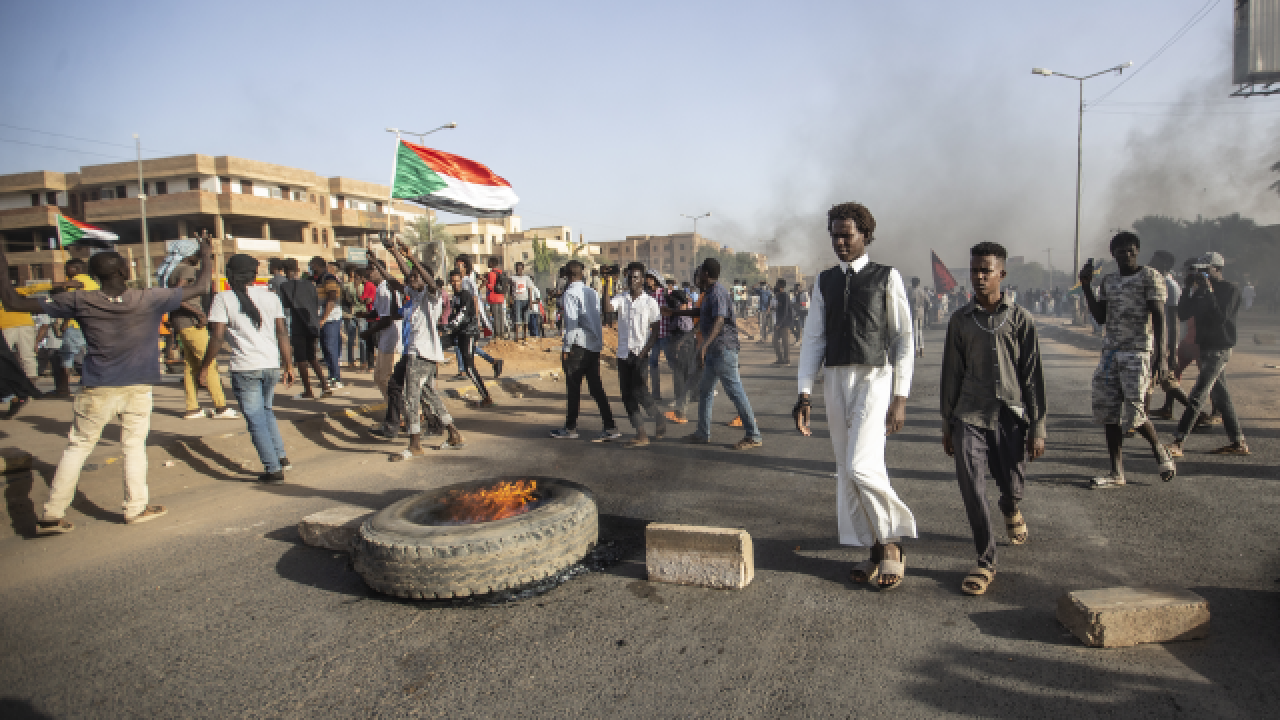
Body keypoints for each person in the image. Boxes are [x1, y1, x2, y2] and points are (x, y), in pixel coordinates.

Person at [0, 237, 215, 532]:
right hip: (138, 385)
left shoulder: (79, 300)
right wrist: (206, 254)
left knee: (78, 447)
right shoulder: (149, 298)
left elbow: (12, 301)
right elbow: (202, 287)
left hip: (97, 386)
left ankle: (52, 513)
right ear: (124, 273)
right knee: (134, 446)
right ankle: (135, 508)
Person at [793, 202, 915, 590]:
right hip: (835, 379)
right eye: (835, 235)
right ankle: (873, 547)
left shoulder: (886, 277)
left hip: (875, 378)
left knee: (861, 464)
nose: (840, 242)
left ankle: (892, 541)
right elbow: (814, 338)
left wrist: (900, 396)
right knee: (847, 469)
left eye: (847, 235)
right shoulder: (825, 281)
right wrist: (804, 392)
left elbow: (902, 340)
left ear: (865, 235)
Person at [940, 242, 1047, 596]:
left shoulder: (1021, 319)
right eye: (974, 270)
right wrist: (947, 423)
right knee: (972, 486)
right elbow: (951, 374)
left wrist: (1038, 427)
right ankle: (986, 560)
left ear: (1002, 273)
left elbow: (1032, 377)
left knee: (1012, 485)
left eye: (986, 270)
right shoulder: (960, 321)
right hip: (969, 415)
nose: (979, 277)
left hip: (1010, 416)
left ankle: (1010, 506)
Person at [1079, 232, 1176, 488]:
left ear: (1138, 251)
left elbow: (1159, 317)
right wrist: (1086, 285)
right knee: (1109, 413)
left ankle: (1159, 449)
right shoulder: (1108, 282)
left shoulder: (1150, 277)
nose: (1127, 254)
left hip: (1138, 351)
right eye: (1121, 250)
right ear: (1114, 254)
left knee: (1135, 412)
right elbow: (1100, 317)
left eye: (1131, 249)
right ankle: (1116, 472)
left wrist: (1161, 358)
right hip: (1110, 353)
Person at [199, 254, 295, 484]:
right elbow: (282, 332)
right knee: (266, 411)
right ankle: (280, 457)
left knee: (255, 419)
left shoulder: (224, 299)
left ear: (231, 274)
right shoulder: (271, 297)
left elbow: (217, 337)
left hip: (245, 367)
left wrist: (204, 367)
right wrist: (288, 365)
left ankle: (273, 469)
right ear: (254, 274)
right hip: (270, 364)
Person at [376, 239, 464, 458]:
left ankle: (415, 442)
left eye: (416, 276)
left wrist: (412, 257)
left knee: (411, 396)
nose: (410, 279)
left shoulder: (431, 296)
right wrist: (394, 253)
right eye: (411, 276)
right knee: (427, 394)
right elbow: (396, 280)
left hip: (422, 354)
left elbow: (429, 282)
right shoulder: (415, 296)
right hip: (412, 352)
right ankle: (453, 433)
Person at [663, 257, 762, 449]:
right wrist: (674, 313)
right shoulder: (709, 293)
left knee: (736, 393)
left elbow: (718, 321)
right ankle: (702, 433)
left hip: (723, 350)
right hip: (713, 351)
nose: (697, 275)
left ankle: (753, 435)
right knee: (706, 391)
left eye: (699, 272)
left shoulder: (717, 292)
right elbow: (700, 312)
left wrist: (704, 346)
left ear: (706, 274)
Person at [1166, 252, 1249, 457]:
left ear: (1217, 269)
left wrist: (1208, 292)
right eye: (1199, 270)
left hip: (1220, 348)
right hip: (1206, 346)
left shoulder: (1231, 289)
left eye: (1205, 269)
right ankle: (1238, 443)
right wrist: (1187, 288)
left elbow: (1221, 318)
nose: (1201, 273)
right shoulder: (1200, 290)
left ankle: (1178, 441)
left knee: (1198, 394)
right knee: (1221, 397)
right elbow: (1183, 314)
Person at [551, 260, 620, 441]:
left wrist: (566, 348)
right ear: (582, 274)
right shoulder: (592, 292)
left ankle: (570, 427)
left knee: (573, 387)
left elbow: (572, 324)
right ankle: (610, 426)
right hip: (593, 346)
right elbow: (597, 319)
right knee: (596, 388)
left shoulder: (570, 294)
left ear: (567, 274)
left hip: (578, 346)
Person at [167, 237, 235, 420]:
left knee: (191, 366)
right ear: (189, 255)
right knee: (209, 362)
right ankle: (221, 407)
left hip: (181, 323)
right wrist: (198, 313)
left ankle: (192, 408)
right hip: (191, 322)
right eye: (197, 254)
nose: (199, 257)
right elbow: (178, 296)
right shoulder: (187, 269)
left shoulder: (173, 270)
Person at [612, 263, 667, 447]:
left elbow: (656, 330)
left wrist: (645, 352)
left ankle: (658, 418)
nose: (632, 281)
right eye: (629, 277)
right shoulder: (621, 298)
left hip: (640, 354)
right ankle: (641, 433)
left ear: (642, 279)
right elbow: (606, 307)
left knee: (640, 391)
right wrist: (606, 282)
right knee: (626, 395)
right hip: (623, 353)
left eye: (635, 277)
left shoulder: (650, 302)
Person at [278, 258, 331, 399]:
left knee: (301, 359)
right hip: (313, 323)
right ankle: (325, 385)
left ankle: (308, 391)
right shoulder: (310, 284)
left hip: (298, 326)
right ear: (297, 270)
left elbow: (285, 306)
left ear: (284, 271)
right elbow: (316, 303)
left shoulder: (285, 286)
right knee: (312, 357)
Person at [445, 268, 493, 408]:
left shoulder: (465, 294)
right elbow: (455, 315)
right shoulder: (456, 296)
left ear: (461, 280)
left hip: (469, 333)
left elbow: (462, 314)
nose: (455, 283)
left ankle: (486, 397)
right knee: (467, 365)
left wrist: (450, 326)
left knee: (469, 367)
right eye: (452, 281)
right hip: (460, 333)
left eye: (457, 280)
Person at [51, 258, 98, 397]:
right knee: (88, 357)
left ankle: (63, 389)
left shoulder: (76, 281)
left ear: (76, 269)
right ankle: (90, 386)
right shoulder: (93, 283)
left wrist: (65, 323)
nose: (66, 270)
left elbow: (70, 305)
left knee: (66, 357)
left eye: (68, 268)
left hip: (75, 325)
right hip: (90, 325)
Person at [663, 281, 699, 425]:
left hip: (684, 344)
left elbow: (687, 331)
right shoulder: (683, 312)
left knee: (680, 373)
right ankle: (686, 399)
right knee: (684, 372)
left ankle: (680, 403)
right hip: (684, 344)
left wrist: (679, 343)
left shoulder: (682, 314)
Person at [309, 256, 344, 389]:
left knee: (330, 347)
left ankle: (336, 378)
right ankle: (331, 376)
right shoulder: (318, 280)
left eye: (311, 265)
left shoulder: (328, 278)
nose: (311, 268)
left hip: (331, 318)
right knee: (325, 348)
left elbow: (332, 298)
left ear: (317, 265)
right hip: (323, 318)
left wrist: (323, 318)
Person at [644, 270, 668, 403]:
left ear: (656, 280)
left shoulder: (665, 294)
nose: (648, 281)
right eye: (647, 278)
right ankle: (656, 393)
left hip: (665, 334)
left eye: (650, 278)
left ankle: (679, 391)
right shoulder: (648, 296)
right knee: (653, 363)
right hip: (654, 335)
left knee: (672, 363)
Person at [341, 268, 366, 370]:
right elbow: (347, 298)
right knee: (353, 338)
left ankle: (361, 361)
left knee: (360, 339)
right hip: (354, 313)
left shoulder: (362, 286)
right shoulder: (349, 286)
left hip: (361, 314)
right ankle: (353, 361)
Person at [509, 261, 536, 343]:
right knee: (517, 319)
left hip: (525, 300)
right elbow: (511, 289)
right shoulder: (512, 278)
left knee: (525, 319)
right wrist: (510, 299)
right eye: (517, 268)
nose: (519, 270)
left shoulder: (527, 278)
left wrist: (530, 302)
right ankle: (516, 337)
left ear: (523, 269)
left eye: (520, 268)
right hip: (517, 300)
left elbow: (530, 290)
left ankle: (525, 336)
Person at [772, 278, 793, 365]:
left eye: (777, 284)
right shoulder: (778, 296)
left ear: (781, 286)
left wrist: (779, 324)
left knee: (785, 342)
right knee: (775, 341)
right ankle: (780, 359)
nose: (776, 286)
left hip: (784, 323)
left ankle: (787, 360)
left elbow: (785, 311)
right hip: (778, 322)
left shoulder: (785, 296)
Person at [485, 257, 507, 340]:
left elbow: (491, 286)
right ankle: (502, 333)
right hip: (501, 297)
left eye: (488, 262)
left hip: (493, 297)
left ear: (492, 263)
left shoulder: (491, 274)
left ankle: (497, 334)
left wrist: (486, 283)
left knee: (495, 316)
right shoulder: (501, 272)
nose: (488, 263)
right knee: (500, 316)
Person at [909, 276, 930, 358]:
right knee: (920, 331)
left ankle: (916, 351)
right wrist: (926, 310)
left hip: (914, 313)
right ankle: (922, 350)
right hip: (921, 313)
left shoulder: (911, 291)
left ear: (913, 283)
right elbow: (928, 302)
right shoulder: (923, 291)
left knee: (915, 332)